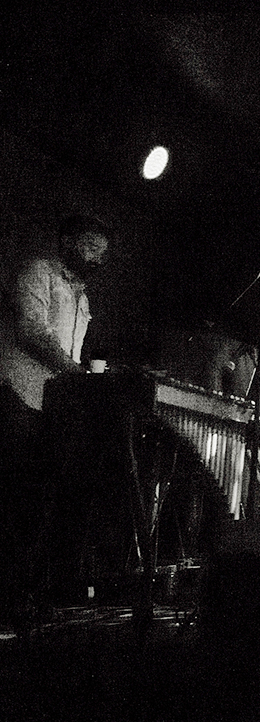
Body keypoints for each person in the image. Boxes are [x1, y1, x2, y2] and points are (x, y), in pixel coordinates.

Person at [0, 214, 109, 622]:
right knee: (15, 499)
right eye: (91, 248)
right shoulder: (38, 272)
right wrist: (77, 374)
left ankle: (29, 596)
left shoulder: (82, 296)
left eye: (102, 253)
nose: (98, 259)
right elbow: (31, 332)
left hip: (52, 408)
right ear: (67, 241)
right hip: (19, 396)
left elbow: (70, 351)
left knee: (40, 504)